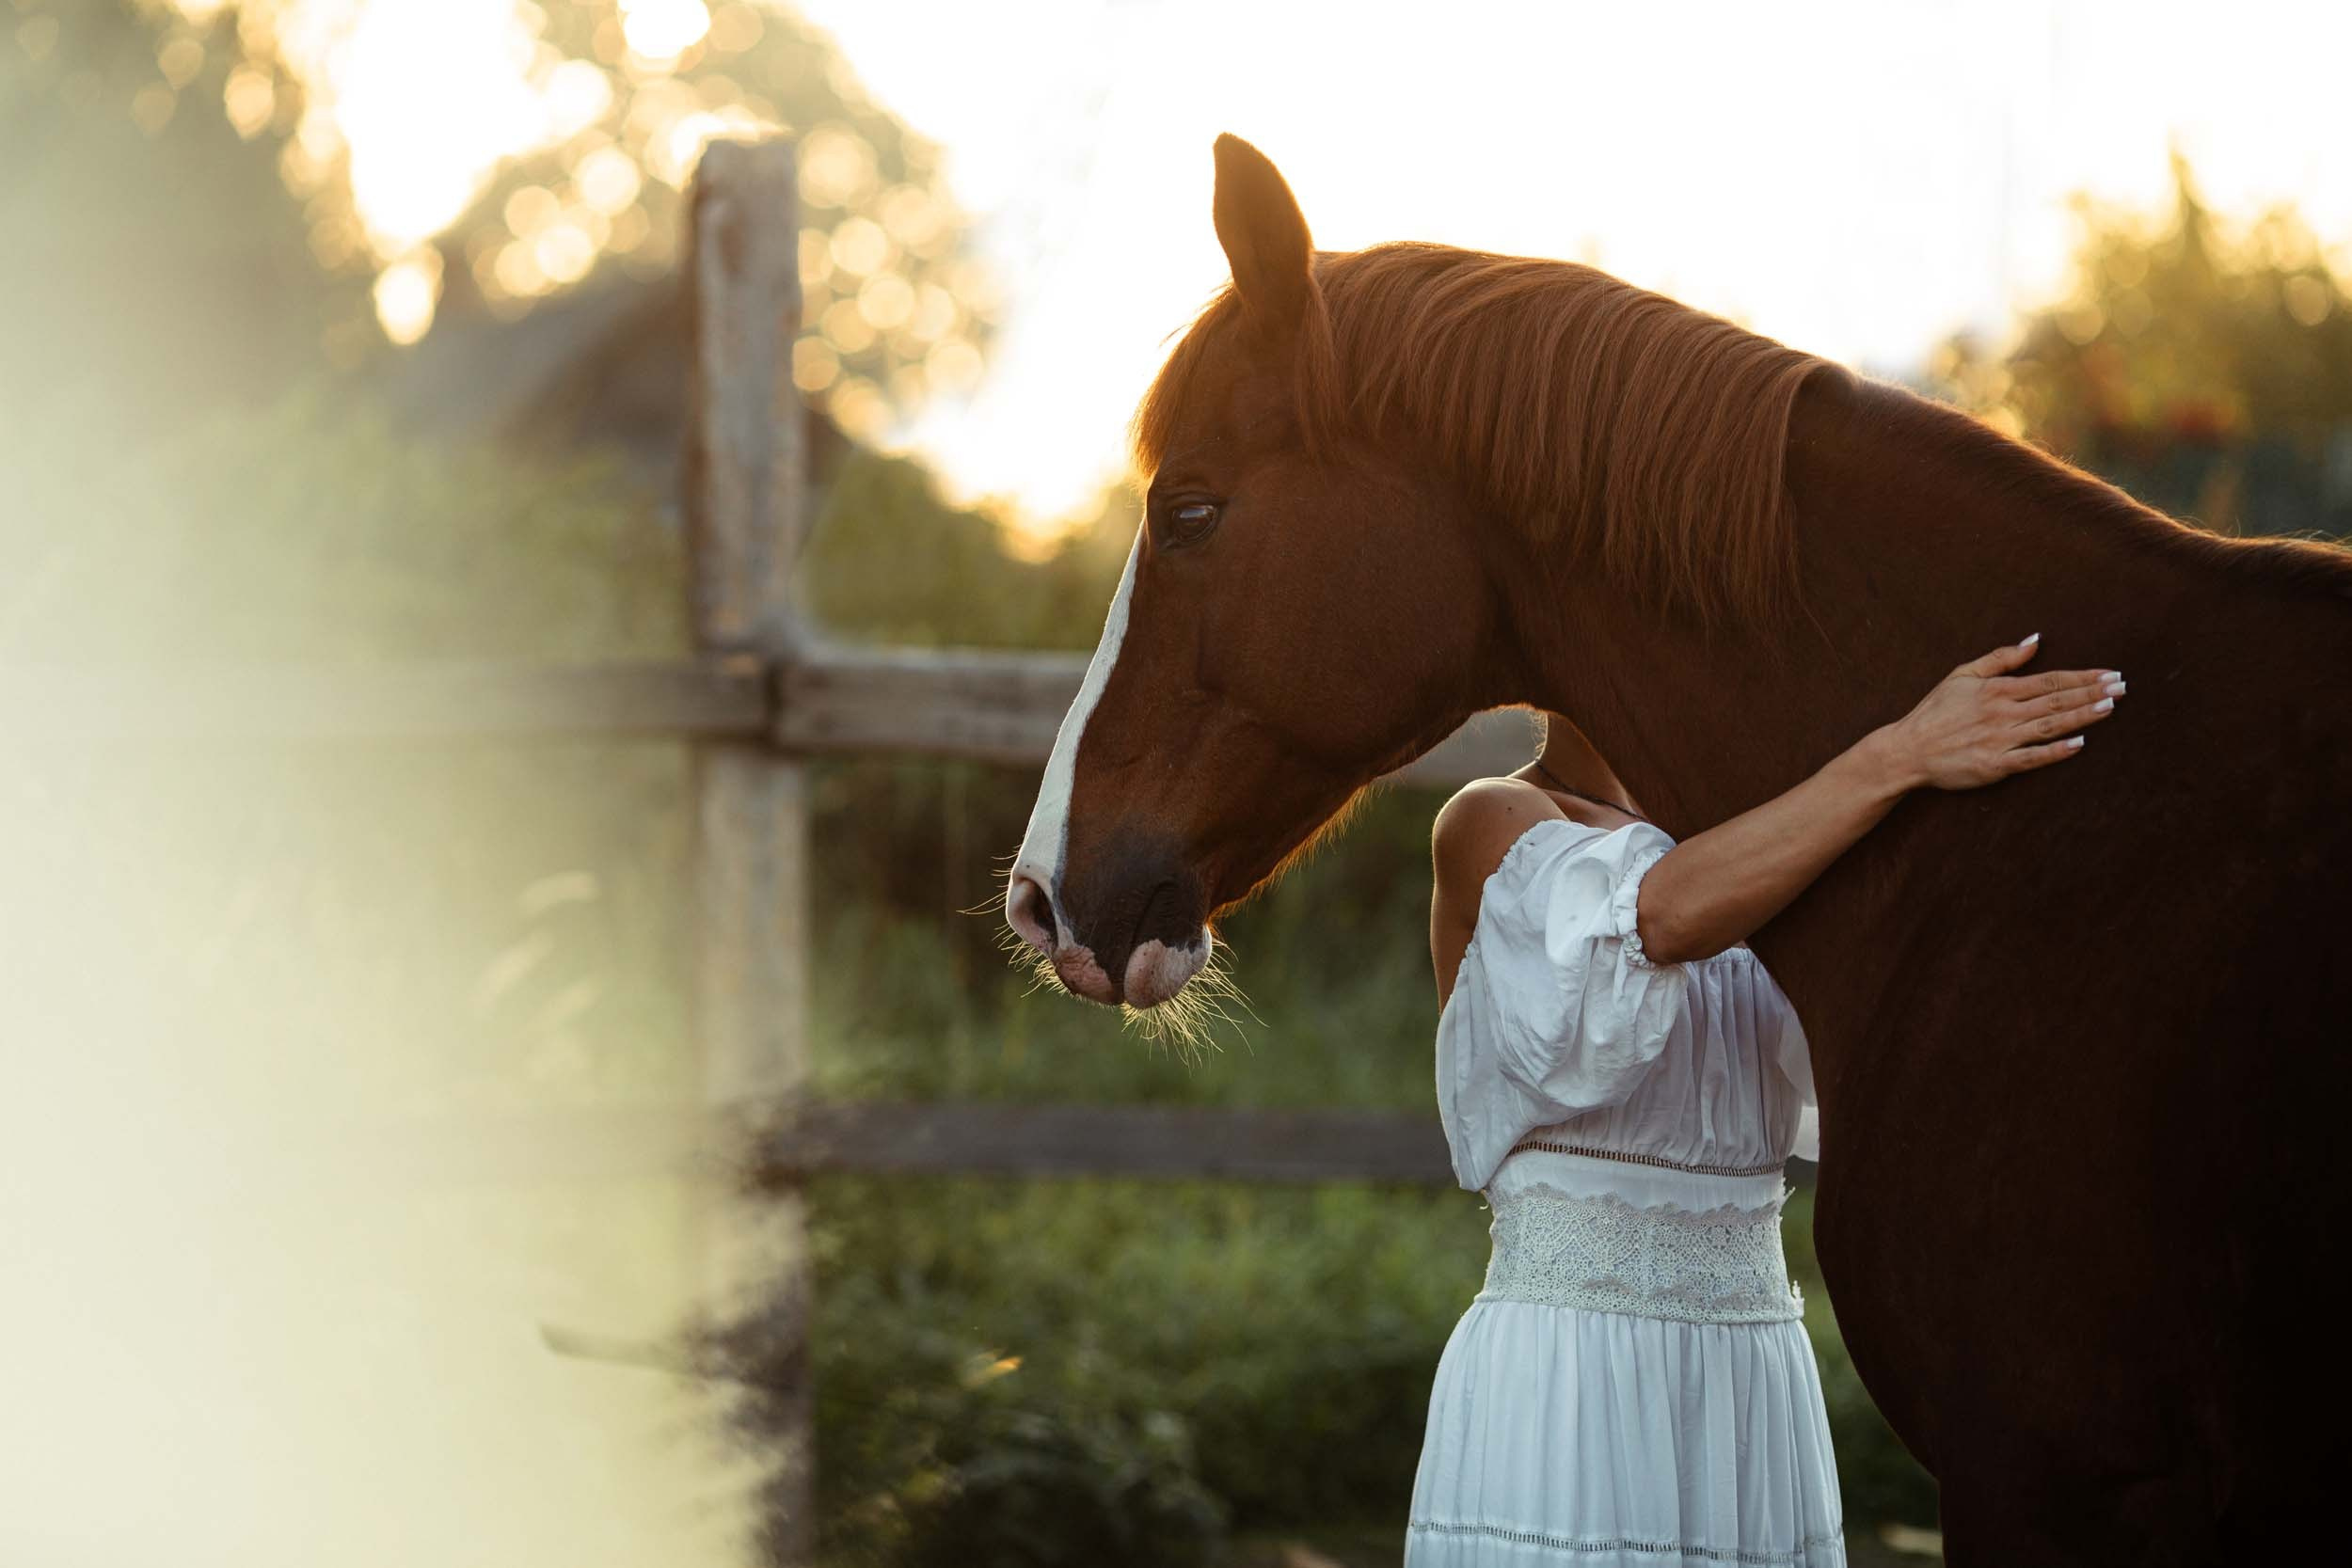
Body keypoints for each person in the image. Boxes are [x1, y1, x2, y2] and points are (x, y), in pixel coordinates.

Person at [1404, 635, 2125, 1567]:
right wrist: (1897, 753)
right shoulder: (1496, 815)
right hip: (1572, 1363)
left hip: (1748, 1373)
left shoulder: (1772, 831)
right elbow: (1659, 915)